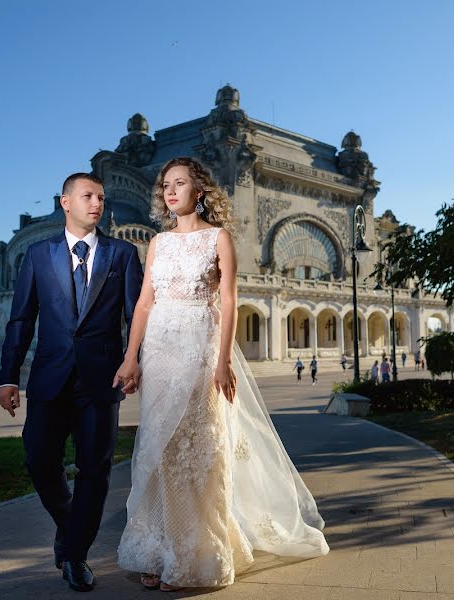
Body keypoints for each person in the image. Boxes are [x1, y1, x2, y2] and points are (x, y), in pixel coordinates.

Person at [117, 157, 328, 592]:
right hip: (159, 352)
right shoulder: (157, 243)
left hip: (200, 349)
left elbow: (229, 302)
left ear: (200, 190)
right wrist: (130, 357)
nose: (170, 191)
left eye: (180, 183)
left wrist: (223, 361)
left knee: (199, 454)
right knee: (157, 452)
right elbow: (143, 304)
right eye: (165, 185)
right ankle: (158, 550)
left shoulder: (219, 238)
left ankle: (197, 553)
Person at [0, 172, 143, 593]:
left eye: (100, 196)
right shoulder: (39, 256)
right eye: (87, 196)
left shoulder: (123, 254)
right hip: (49, 378)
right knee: (39, 461)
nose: (96, 203)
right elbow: (21, 319)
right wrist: (8, 377)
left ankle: (76, 555)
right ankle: (70, 527)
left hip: (101, 381)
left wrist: (135, 361)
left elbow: (135, 316)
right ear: (65, 202)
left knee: (95, 472)